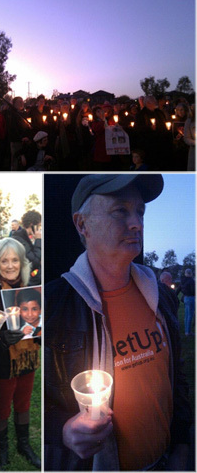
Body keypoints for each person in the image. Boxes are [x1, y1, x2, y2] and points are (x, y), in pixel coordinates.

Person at [45, 174, 192, 471]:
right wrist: (62, 430)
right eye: (120, 210)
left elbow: (175, 377)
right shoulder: (54, 305)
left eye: (139, 211)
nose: (136, 222)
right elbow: (38, 396)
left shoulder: (160, 296)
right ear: (82, 224)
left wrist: (182, 444)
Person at [0, 238, 41, 469]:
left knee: (23, 402)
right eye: (4, 260)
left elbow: (38, 320)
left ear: (22, 262)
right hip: (3, 359)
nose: (9, 265)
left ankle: (23, 444)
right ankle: (3, 447)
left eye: (14, 260)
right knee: (4, 404)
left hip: (28, 356)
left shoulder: (31, 287)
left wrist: (40, 330)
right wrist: (2, 338)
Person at [176, 268, 195, 336]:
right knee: (190, 315)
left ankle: (186, 330)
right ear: (191, 273)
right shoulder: (191, 281)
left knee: (186, 315)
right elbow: (193, 291)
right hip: (191, 298)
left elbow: (178, 289)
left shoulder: (182, 280)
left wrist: (175, 296)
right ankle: (188, 332)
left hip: (185, 298)